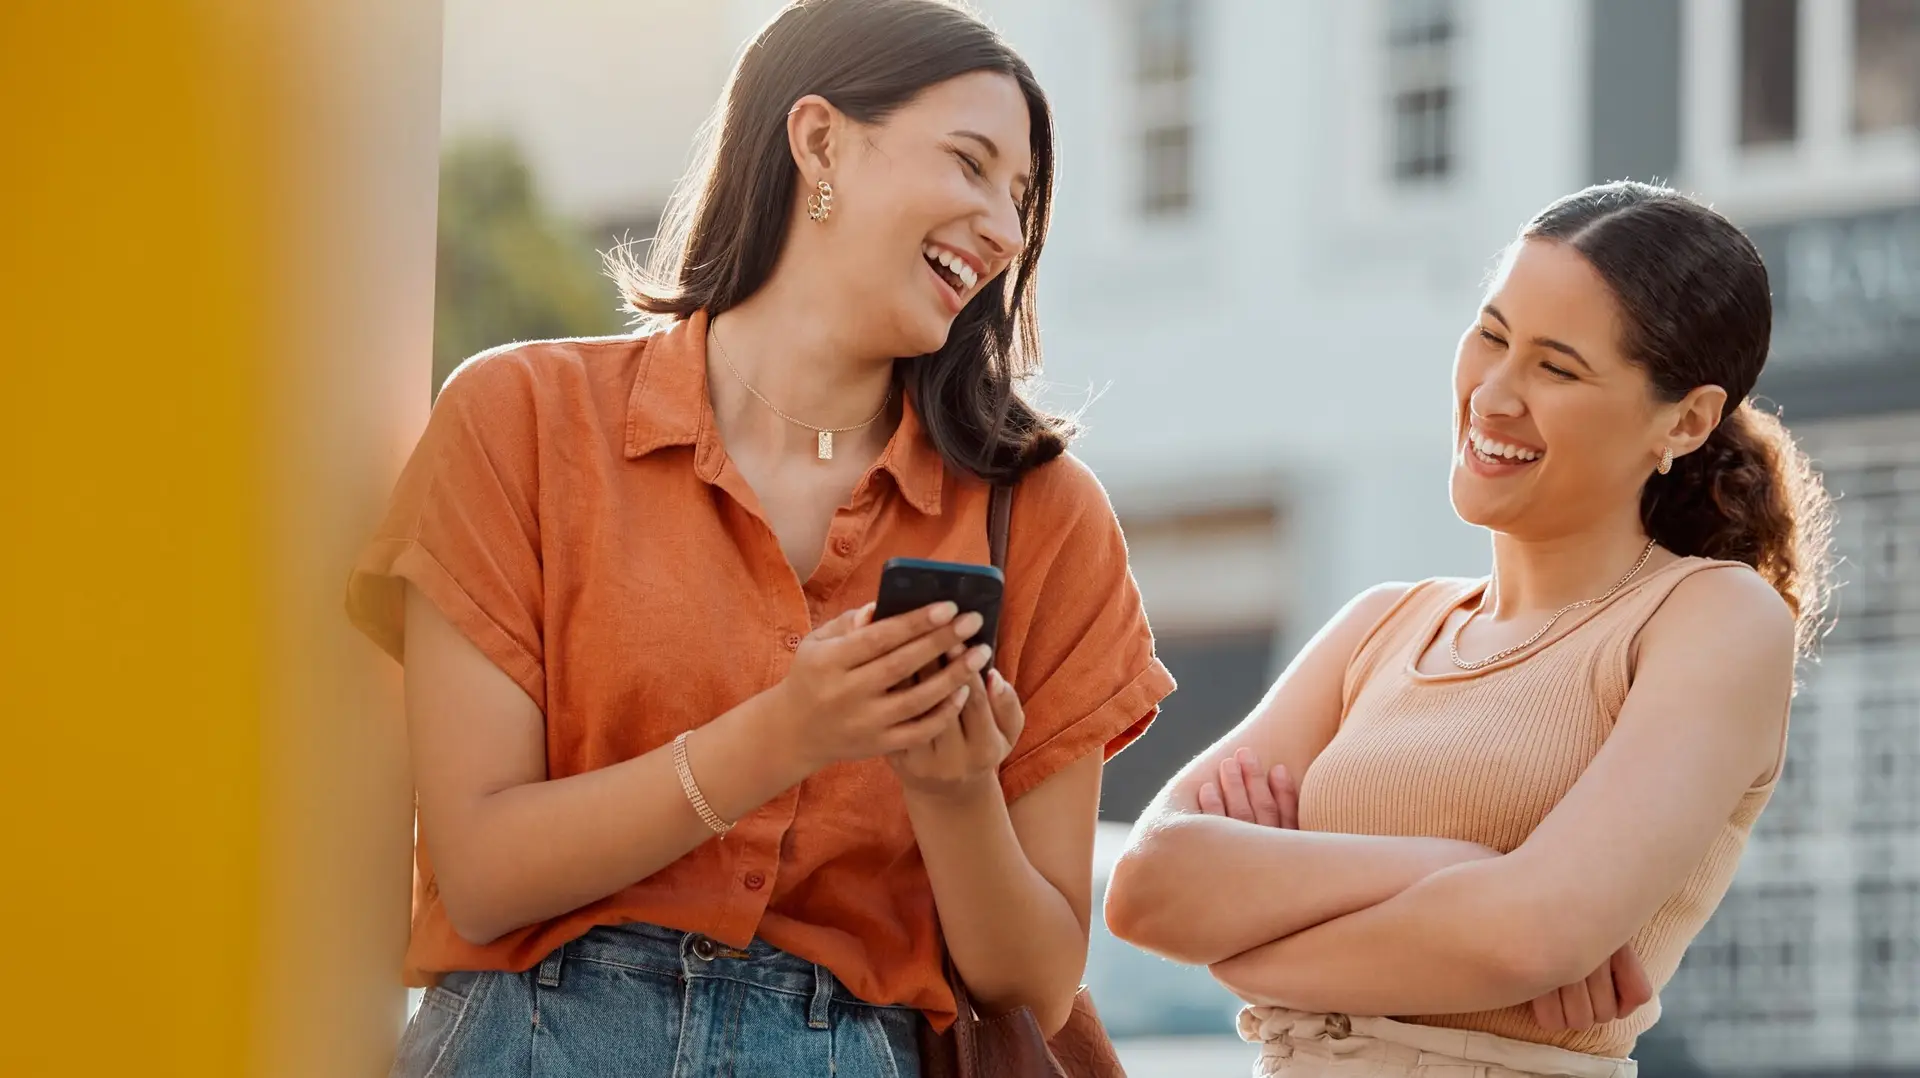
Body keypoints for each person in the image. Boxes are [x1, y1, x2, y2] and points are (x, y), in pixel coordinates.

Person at [346, 2, 1173, 1075]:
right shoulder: (523, 417)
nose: (1007, 233)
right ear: (819, 139)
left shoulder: (1047, 515)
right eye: (971, 165)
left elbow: (1037, 977)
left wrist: (952, 787)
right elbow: (483, 869)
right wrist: (787, 734)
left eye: (1019, 201)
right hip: (529, 1039)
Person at [1104, 181, 1834, 1078]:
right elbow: (1148, 887)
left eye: (1556, 369)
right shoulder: (1381, 624)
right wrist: (1461, 866)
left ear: (1683, 421)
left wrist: (1251, 947)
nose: (1493, 394)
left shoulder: (1710, 618)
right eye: (1491, 336)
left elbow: (1535, 932)